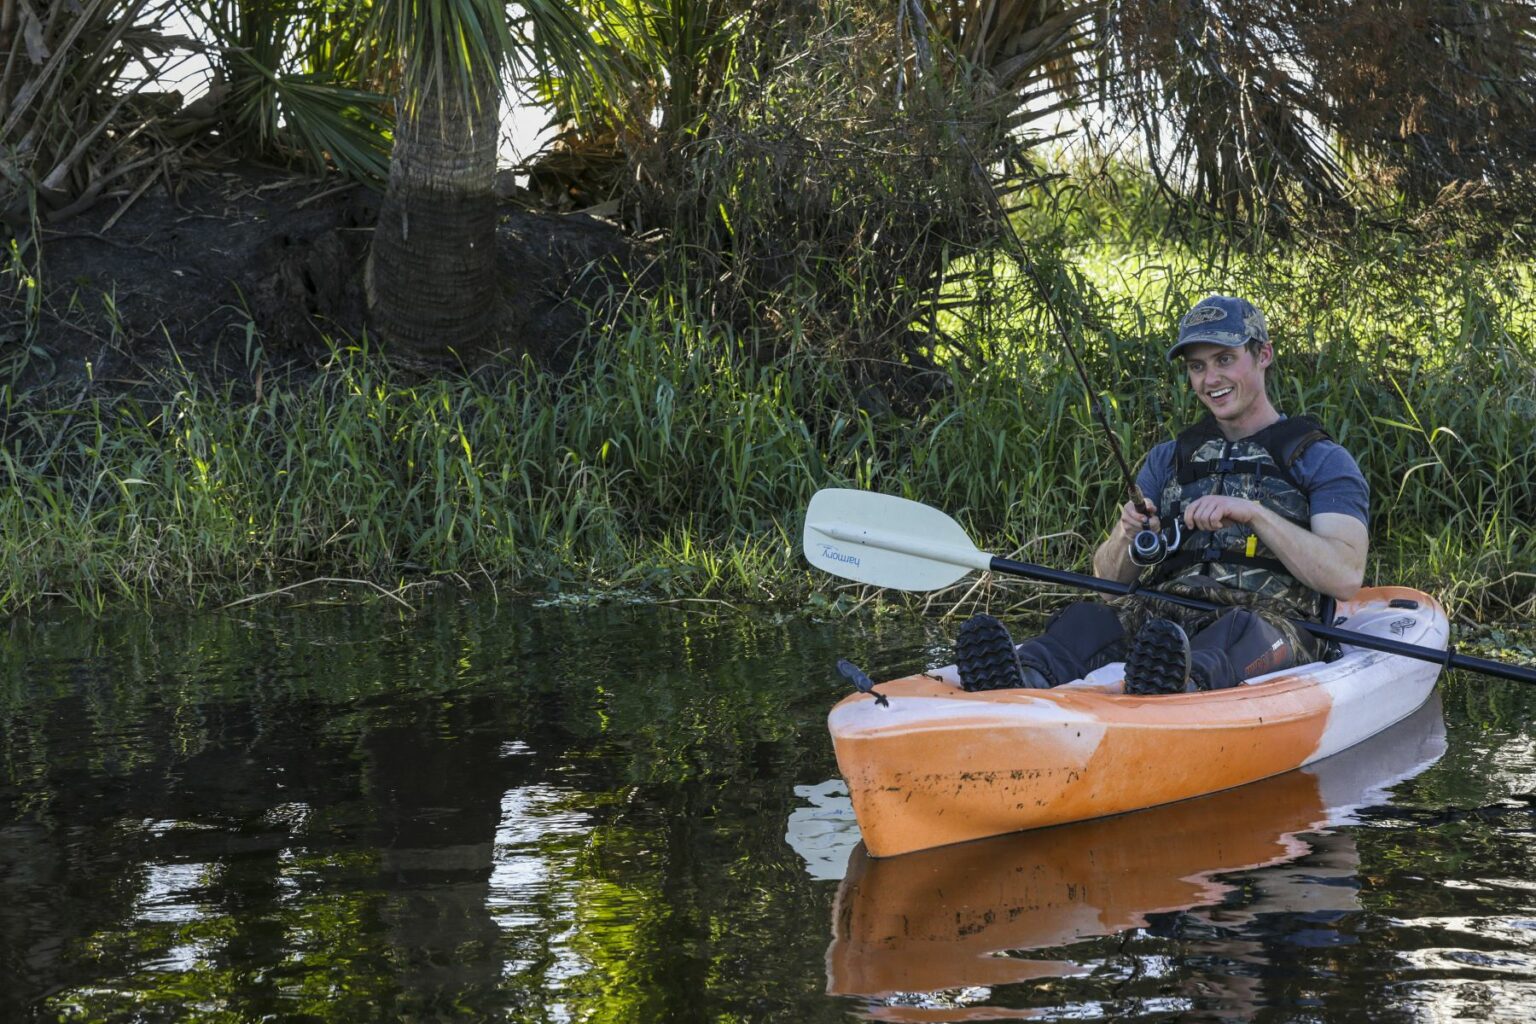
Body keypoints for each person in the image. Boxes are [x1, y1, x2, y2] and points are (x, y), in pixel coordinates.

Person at [956, 295, 1371, 695]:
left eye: (1225, 360)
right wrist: (1127, 534)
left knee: (1237, 632)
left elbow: (1345, 577)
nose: (1210, 380)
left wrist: (1254, 514)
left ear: (1263, 355)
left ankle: (1180, 686)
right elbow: (1108, 586)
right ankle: (1021, 675)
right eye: (1197, 366)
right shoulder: (1168, 458)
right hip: (1163, 618)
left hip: (1268, 623)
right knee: (1089, 618)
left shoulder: (1319, 459)